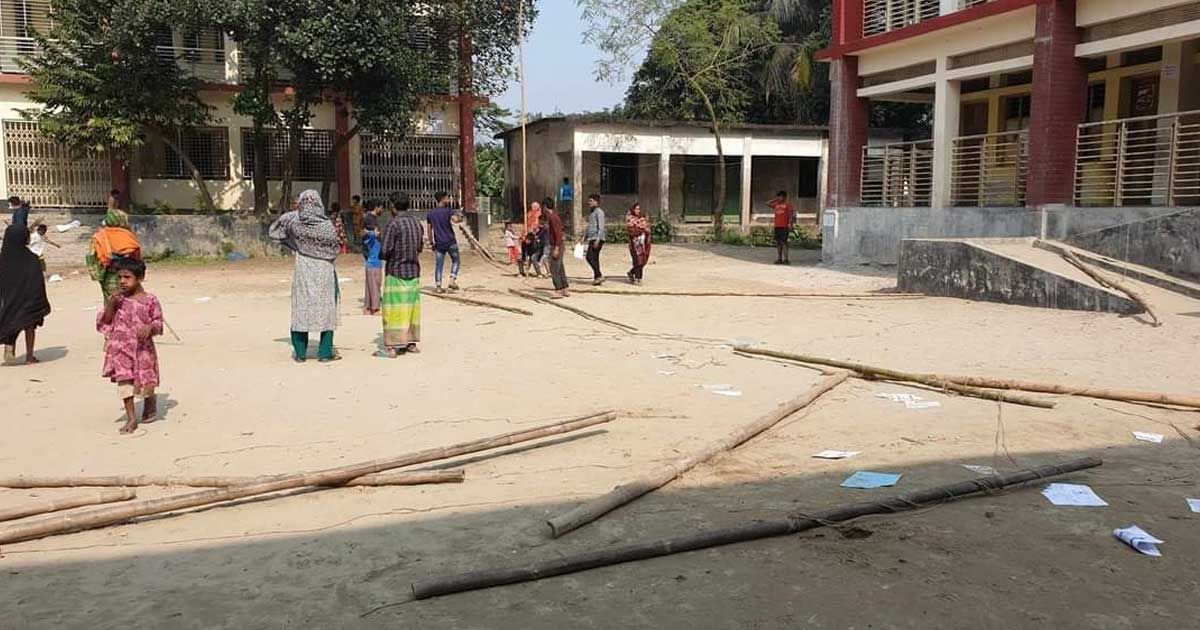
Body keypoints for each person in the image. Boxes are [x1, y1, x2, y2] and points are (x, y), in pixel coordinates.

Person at [269, 190, 342, 363]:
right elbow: (335, 249)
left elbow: (275, 230)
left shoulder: (295, 223)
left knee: (302, 307)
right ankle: (324, 353)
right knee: (326, 309)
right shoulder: (327, 226)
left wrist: (294, 242)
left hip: (303, 269)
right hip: (325, 270)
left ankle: (300, 353)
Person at [97, 258, 163, 435]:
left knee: (145, 380)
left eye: (127, 277)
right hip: (120, 348)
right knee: (124, 382)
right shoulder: (118, 300)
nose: (122, 281)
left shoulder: (150, 300)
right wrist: (111, 304)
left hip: (143, 349)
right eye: (120, 277)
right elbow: (106, 321)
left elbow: (158, 322)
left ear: (140, 277)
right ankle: (131, 417)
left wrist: (150, 327)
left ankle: (150, 400)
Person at [379, 193, 423, 357]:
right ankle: (411, 342)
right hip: (413, 270)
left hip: (396, 271)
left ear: (392, 206)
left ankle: (392, 345)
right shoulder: (416, 223)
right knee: (411, 309)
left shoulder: (393, 224)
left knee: (393, 309)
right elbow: (419, 247)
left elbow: (385, 251)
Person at [0, 224, 51, 365]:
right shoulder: (32, 258)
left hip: (9, 299)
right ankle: (29, 356)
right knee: (30, 326)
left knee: (10, 322)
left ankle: (9, 347)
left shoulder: (3, 259)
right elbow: (38, 281)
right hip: (29, 300)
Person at [86, 209, 142, 300]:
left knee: (111, 301)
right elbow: (136, 257)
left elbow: (91, 257)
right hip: (129, 276)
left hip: (108, 275)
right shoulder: (128, 236)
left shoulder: (99, 236)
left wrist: (99, 275)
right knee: (129, 301)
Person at [426, 191, 461, 293]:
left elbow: (429, 230)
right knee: (456, 260)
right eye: (447, 198)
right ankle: (452, 279)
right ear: (443, 199)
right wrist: (460, 217)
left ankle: (438, 286)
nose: (449, 200)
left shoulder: (431, 214)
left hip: (439, 243)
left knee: (439, 264)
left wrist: (431, 242)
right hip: (450, 241)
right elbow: (455, 220)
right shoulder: (448, 211)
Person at [544, 198, 570, 298]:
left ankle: (558, 289)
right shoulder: (555, 216)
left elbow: (558, 234)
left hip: (556, 245)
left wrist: (556, 248)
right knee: (560, 268)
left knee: (554, 268)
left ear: (545, 206)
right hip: (558, 244)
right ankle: (565, 288)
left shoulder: (552, 217)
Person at [361, 200, 384, 315]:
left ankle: (368, 307)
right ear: (376, 207)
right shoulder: (370, 219)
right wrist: (374, 234)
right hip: (373, 256)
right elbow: (366, 233)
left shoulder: (369, 219)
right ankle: (374, 308)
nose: (382, 210)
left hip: (372, 256)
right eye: (381, 207)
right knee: (375, 282)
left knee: (371, 282)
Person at [626, 203, 652, 285]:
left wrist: (644, 230)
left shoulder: (642, 219)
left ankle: (632, 272)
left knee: (643, 261)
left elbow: (648, 229)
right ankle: (638, 278)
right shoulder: (630, 219)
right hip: (635, 244)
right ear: (632, 210)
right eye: (636, 209)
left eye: (638, 209)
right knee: (637, 261)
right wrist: (641, 230)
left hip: (643, 244)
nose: (637, 211)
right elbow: (632, 231)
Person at [583, 194, 606, 285]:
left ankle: (599, 275)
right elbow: (589, 226)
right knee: (595, 258)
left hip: (597, 238)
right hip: (591, 237)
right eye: (589, 201)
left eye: (591, 201)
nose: (589, 203)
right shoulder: (592, 213)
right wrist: (584, 237)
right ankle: (597, 277)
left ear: (597, 202)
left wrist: (598, 239)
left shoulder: (599, 212)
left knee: (589, 257)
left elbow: (601, 227)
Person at [768, 190, 795, 265]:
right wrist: (775, 199)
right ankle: (779, 258)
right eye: (778, 196)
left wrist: (790, 225)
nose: (779, 198)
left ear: (784, 197)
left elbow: (791, 216)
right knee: (778, 243)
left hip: (784, 226)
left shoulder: (788, 205)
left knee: (784, 243)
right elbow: (767, 203)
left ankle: (786, 259)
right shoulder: (776, 204)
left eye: (781, 196)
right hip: (777, 226)